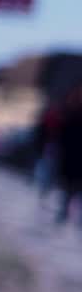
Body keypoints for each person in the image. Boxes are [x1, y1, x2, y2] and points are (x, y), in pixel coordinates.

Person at [54, 89, 82, 226]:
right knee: (70, 185)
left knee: (73, 186)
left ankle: (66, 210)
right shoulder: (73, 113)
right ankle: (65, 209)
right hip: (72, 155)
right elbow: (63, 134)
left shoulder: (72, 113)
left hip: (72, 155)